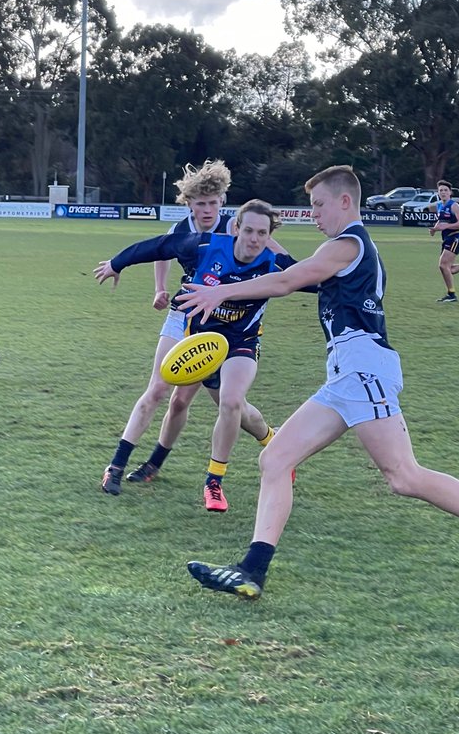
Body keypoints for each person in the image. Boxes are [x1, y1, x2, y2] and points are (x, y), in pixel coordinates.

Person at [180, 165, 459, 605]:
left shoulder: (348, 243)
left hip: (362, 367)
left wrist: (221, 293)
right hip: (348, 373)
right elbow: (294, 270)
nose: (313, 214)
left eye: (318, 205)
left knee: (403, 476)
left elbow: (289, 280)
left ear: (345, 202)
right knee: (276, 459)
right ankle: (251, 571)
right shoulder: (343, 249)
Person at [95, 199, 303, 511]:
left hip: (241, 342)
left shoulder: (275, 262)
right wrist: (117, 263)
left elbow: (315, 279)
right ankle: (272, 441)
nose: (255, 239)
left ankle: (215, 481)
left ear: (270, 235)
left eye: (262, 232)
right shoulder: (203, 246)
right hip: (201, 341)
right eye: (249, 230)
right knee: (195, 400)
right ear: (236, 228)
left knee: (232, 403)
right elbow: (158, 247)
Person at [93, 160, 260, 501]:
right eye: (200, 204)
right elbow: (160, 251)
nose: (208, 210)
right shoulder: (182, 230)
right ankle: (116, 465)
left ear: (223, 201)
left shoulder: (236, 229)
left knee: (204, 402)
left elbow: (275, 262)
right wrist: (159, 287)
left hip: (227, 329)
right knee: (157, 389)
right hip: (183, 314)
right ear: (189, 204)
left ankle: (272, 441)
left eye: (214, 203)